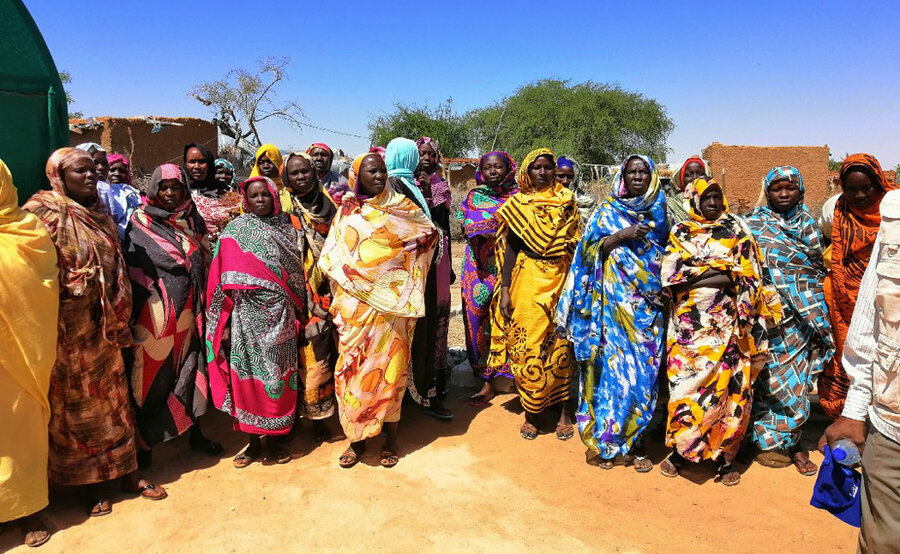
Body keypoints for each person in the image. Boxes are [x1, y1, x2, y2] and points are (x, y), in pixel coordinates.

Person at [23, 148, 166, 517]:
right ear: (58, 176)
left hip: (108, 328)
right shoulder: (42, 212)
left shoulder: (99, 211)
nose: (90, 177)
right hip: (71, 330)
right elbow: (28, 269)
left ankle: (125, 472)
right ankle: (90, 483)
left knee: (116, 403)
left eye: (92, 171)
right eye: (79, 171)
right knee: (81, 409)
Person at [318, 152, 438, 468]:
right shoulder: (346, 211)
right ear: (357, 175)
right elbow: (332, 257)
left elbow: (428, 235)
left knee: (391, 373)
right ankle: (356, 441)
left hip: (392, 310)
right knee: (352, 372)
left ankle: (391, 441)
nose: (379, 176)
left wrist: (406, 259)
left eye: (383, 171)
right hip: (356, 311)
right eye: (371, 171)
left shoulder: (404, 208)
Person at [659, 177, 779, 486]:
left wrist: (698, 273)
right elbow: (671, 276)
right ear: (694, 201)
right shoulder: (680, 233)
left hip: (731, 328)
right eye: (706, 197)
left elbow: (750, 276)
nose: (712, 202)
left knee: (730, 394)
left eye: (717, 196)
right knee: (685, 392)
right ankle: (681, 452)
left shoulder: (738, 232)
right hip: (689, 331)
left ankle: (725, 459)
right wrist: (721, 271)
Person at [557, 155, 669, 470]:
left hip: (646, 311)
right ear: (623, 175)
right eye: (632, 172)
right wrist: (621, 236)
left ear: (651, 177)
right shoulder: (607, 212)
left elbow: (675, 253)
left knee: (642, 378)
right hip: (607, 310)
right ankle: (606, 443)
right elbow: (585, 253)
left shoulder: (661, 212)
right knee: (608, 375)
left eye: (643, 172)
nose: (637, 176)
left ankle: (637, 444)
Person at [122, 164, 223, 469]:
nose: (168, 193)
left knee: (191, 371)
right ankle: (145, 443)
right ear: (153, 188)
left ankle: (194, 433)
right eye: (163, 187)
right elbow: (133, 265)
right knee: (150, 376)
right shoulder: (140, 220)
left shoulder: (192, 219)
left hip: (191, 312)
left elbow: (205, 256)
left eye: (175, 188)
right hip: (155, 315)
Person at [205, 176, 305, 468]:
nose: (260, 199)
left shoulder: (288, 228)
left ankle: (273, 443)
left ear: (274, 196)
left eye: (265, 194)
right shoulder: (235, 231)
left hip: (281, 317)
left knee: (277, 378)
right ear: (245, 199)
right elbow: (220, 277)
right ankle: (251, 443)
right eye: (254, 195)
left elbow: (297, 275)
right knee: (246, 379)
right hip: (245, 318)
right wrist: (221, 325)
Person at [821, 187, 900, 553]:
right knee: (882, 541)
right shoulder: (895, 218)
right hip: (892, 425)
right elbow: (873, 320)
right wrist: (854, 411)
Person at [487, 148, 582, 440]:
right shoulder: (518, 204)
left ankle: (565, 413)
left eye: (548, 168)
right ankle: (532, 414)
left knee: (562, 347)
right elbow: (511, 250)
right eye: (537, 168)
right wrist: (504, 291)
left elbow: (577, 244)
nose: (543, 172)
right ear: (527, 172)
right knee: (528, 346)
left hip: (561, 280)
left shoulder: (567, 201)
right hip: (527, 280)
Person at [745, 166, 834, 476]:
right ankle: (764, 441)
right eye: (776, 188)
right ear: (767, 192)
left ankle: (793, 443)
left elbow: (815, 272)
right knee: (767, 378)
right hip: (768, 318)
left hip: (802, 318)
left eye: (789, 188)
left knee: (795, 383)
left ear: (801, 191)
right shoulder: (754, 224)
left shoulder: (811, 227)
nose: (783, 194)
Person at [0, 159, 58, 547]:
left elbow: (45, 282)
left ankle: (29, 507)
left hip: (20, 355)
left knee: (22, 430)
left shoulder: (27, 228)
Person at [821, 154, 897, 419]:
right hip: (846, 298)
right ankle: (848, 417)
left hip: (889, 295)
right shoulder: (836, 210)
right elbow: (829, 242)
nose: (861, 195)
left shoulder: (894, 210)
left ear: (879, 182)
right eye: (852, 189)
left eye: (867, 187)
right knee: (850, 354)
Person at [281, 152, 338, 441]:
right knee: (289, 356)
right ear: (286, 178)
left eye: (305, 171)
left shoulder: (329, 206)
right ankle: (288, 417)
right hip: (289, 291)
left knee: (318, 352)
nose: (301, 176)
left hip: (323, 291)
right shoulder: (280, 207)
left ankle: (318, 416)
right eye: (295, 173)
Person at [460, 151, 519, 406]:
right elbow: (465, 221)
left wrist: (487, 223)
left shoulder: (519, 197)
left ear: (508, 169)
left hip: (509, 267)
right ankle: (486, 380)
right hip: (478, 268)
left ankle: (512, 374)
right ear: (481, 172)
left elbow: (520, 227)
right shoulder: (474, 196)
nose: (493, 172)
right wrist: (492, 223)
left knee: (509, 318)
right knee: (477, 319)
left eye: (498, 167)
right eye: (488, 168)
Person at [406, 136, 454, 420]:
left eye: (430, 154)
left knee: (437, 322)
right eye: (420, 153)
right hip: (413, 262)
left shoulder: (440, 186)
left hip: (439, 257)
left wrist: (428, 192)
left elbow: (442, 224)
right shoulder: (400, 185)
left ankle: (434, 389)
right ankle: (409, 388)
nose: (425, 158)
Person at [76, 143, 141, 238]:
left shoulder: (119, 191)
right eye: (95, 163)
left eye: (104, 163)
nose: (101, 167)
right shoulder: (77, 193)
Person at [184, 143, 240, 243]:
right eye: (192, 161)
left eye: (202, 161)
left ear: (209, 164)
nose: (197, 166)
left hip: (223, 250)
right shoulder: (180, 192)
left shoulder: (226, 192)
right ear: (185, 164)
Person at [663, 156, 710, 224]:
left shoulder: (714, 200)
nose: (695, 178)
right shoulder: (670, 205)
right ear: (681, 179)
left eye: (699, 174)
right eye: (689, 175)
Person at [555, 155, 596, 224]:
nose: (565, 181)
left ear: (575, 177)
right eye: (561, 176)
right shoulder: (545, 200)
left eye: (570, 177)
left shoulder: (587, 201)